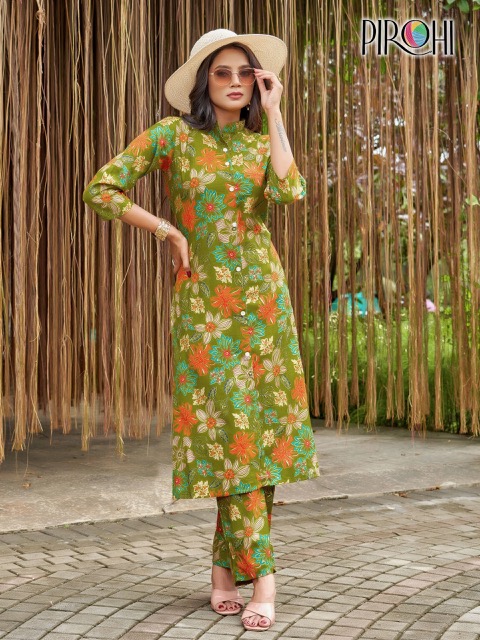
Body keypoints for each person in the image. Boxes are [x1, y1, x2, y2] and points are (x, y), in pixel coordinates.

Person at [82, 27, 320, 632]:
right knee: (231, 437)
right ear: (202, 82)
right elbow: (101, 188)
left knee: (257, 444)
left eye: (246, 73)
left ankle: (221, 574)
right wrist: (168, 231)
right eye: (223, 72)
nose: (236, 82)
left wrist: (275, 112)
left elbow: (291, 190)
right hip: (206, 311)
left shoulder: (261, 139)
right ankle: (264, 580)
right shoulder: (174, 137)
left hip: (265, 307)